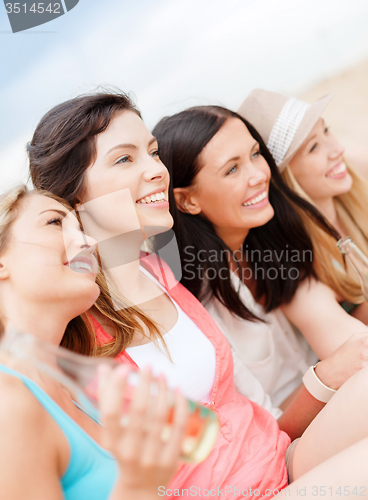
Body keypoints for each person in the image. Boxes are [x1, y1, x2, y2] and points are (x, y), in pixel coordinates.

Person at [28, 91, 368, 496]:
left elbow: (255, 408)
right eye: (125, 158)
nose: (157, 170)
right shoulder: (74, 325)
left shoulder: (159, 272)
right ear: (74, 194)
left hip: (282, 459)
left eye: (153, 153)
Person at [152, 104, 368, 437]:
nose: (258, 174)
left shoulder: (275, 242)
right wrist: (327, 375)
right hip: (293, 447)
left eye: (255, 154)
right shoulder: (195, 304)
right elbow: (267, 435)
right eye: (232, 170)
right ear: (187, 201)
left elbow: (340, 330)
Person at [0, 185, 189, 500]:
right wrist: (138, 487)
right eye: (54, 223)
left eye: (81, 228)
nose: (87, 242)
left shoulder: (73, 388)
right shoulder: (8, 405)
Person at [238, 89, 368, 323]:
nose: (337, 149)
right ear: (286, 177)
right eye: (314, 147)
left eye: (326, 130)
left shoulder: (355, 191)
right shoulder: (295, 260)